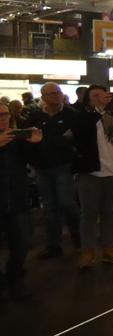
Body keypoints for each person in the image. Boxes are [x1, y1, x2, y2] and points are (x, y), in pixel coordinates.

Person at [25, 82, 81, 258]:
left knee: (67, 203)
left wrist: (46, 141)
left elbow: (75, 139)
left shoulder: (72, 115)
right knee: (49, 208)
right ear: (43, 97)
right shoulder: (35, 117)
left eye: (58, 92)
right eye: (52, 93)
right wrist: (60, 139)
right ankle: (53, 245)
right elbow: (29, 140)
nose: (57, 95)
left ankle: (79, 238)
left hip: (64, 166)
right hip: (42, 167)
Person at [72, 85, 113, 269]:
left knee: (109, 212)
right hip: (91, 172)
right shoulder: (82, 117)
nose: (100, 98)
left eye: (103, 95)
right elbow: (81, 131)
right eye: (95, 95)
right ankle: (87, 251)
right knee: (88, 214)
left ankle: (108, 248)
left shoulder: (112, 116)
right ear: (87, 99)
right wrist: (97, 110)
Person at [0, 105, 42, 301]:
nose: (3, 118)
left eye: (5, 114)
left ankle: (15, 277)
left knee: (22, 242)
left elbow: (36, 162)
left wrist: (35, 143)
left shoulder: (16, 138)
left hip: (17, 200)